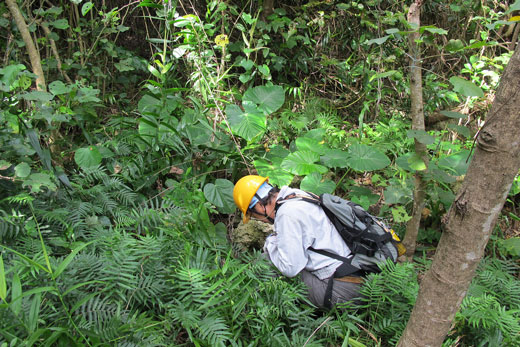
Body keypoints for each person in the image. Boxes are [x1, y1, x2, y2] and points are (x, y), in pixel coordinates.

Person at [233, 175, 362, 309]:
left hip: (344, 290)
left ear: (260, 206)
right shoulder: (297, 195)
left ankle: (276, 314)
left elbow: (290, 268)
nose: (260, 220)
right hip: (356, 270)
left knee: (265, 262)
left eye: (254, 216)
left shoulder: (286, 214)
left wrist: (270, 244)